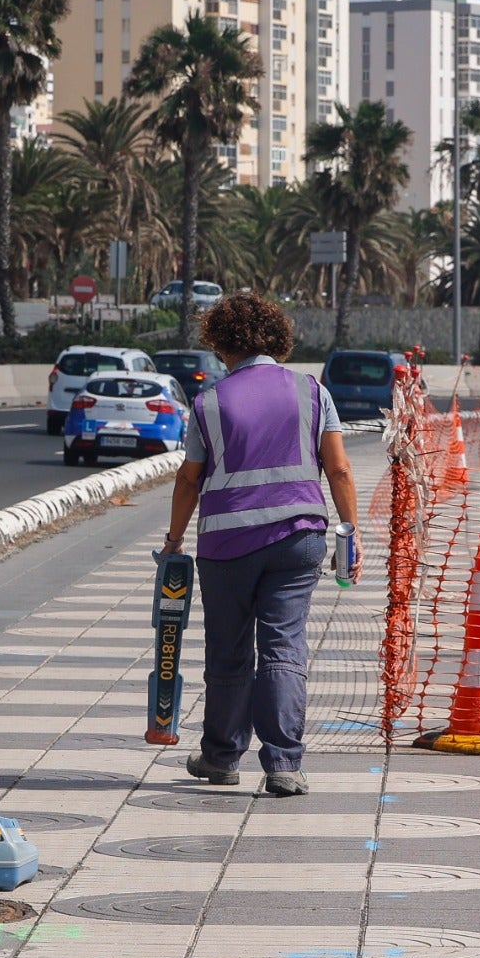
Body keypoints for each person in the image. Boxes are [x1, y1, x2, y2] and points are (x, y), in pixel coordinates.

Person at [161, 292, 358, 797]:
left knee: (229, 651)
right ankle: (284, 764)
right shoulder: (312, 392)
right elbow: (337, 467)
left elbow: (189, 480)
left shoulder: (208, 403)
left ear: (222, 343)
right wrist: (348, 536)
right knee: (283, 647)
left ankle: (222, 756)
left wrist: (174, 539)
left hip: (227, 547)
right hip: (299, 539)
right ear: (277, 340)